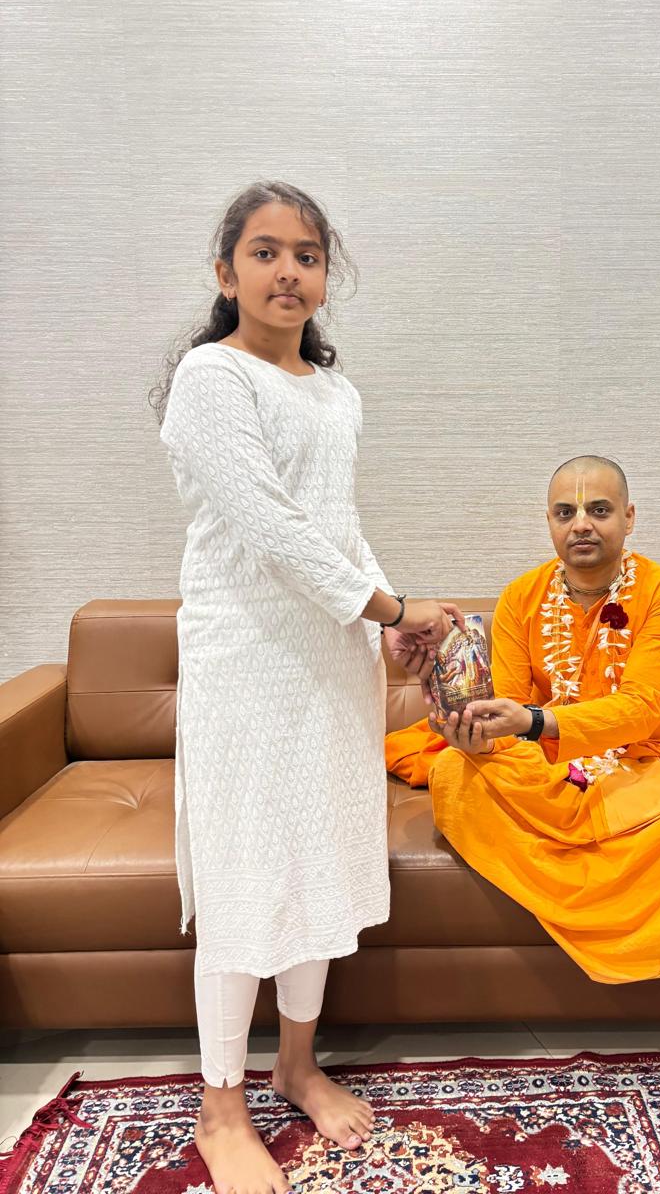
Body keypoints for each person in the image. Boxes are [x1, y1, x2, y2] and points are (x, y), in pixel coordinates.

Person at [156, 181, 461, 1194]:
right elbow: (271, 528)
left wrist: (388, 621)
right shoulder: (210, 376)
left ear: (327, 274)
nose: (288, 271)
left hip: (331, 661)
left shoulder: (337, 392)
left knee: (319, 858)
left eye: (308, 254)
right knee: (246, 872)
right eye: (265, 251)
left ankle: (295, 1063)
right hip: (245, 665)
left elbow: (336, 524)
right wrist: (390, 604)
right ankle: (220, 1107)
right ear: (226, 271)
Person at [387, 456, 660, 984]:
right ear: (549, 522)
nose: (581, 524)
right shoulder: (521, 597)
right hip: (544, 760)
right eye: (565, 512)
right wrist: (475, 734)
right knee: (455, 774)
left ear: (629, 517)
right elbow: (508, 703)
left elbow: (643, 707)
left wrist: (533, 722)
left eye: (598, 510)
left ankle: (620, 927)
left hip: (648, 756)